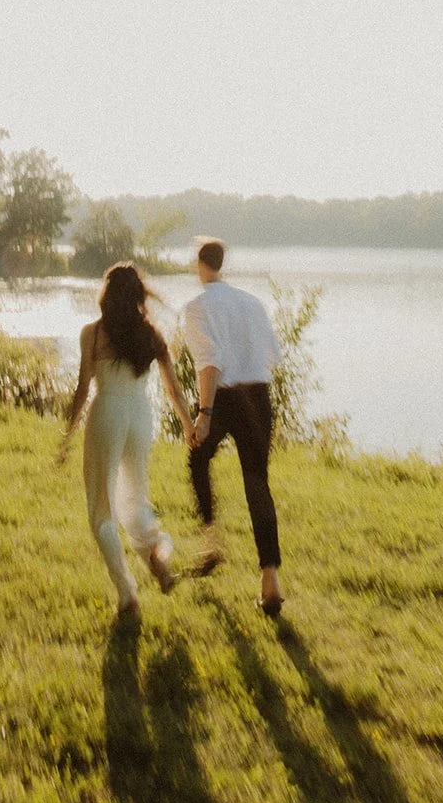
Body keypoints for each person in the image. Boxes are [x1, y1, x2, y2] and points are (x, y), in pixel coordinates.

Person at [60, 263, 194, 618]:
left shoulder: (93, 333)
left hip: (108, 413)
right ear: (139, 295)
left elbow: (83, 388)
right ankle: (155, 553)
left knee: (102, 510)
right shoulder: (151, 333)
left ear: (106, 294)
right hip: (140, 415)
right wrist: (188, 425)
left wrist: (67, 434)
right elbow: (172, 388)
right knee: (136, 496)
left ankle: (127, 594)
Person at [183, 240, 285, 617]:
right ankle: (270, 581)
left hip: (222, 399)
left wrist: (204, 413)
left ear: (199, 264)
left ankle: (210, 542)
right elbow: (273, 355)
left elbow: (209, 362)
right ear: (221, 264)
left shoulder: (197, 307)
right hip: (258, 397)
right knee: (257, 483)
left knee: (197, 459)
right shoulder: (252, 303)